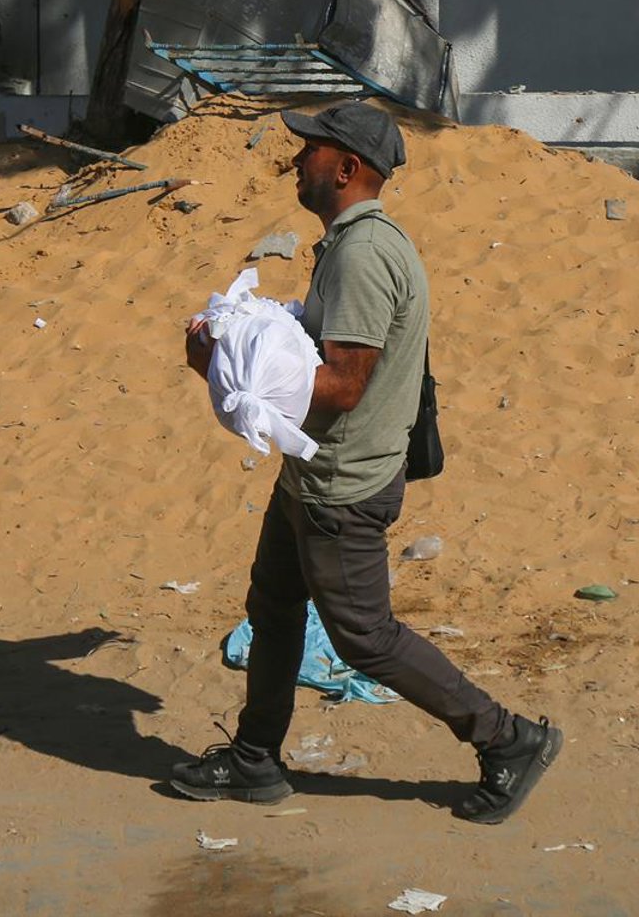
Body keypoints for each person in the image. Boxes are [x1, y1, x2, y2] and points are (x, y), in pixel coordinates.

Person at [173, 101, 562, 825]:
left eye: (312, 150)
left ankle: (509, 739)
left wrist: (220, 371)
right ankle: (255, 760)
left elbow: (343, 386)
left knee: (365, 637)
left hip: (342, 488)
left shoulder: (364, 254)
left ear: (347, 168)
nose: (298, 160)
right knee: (274, 607)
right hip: (314, 475)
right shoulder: (347, 245)